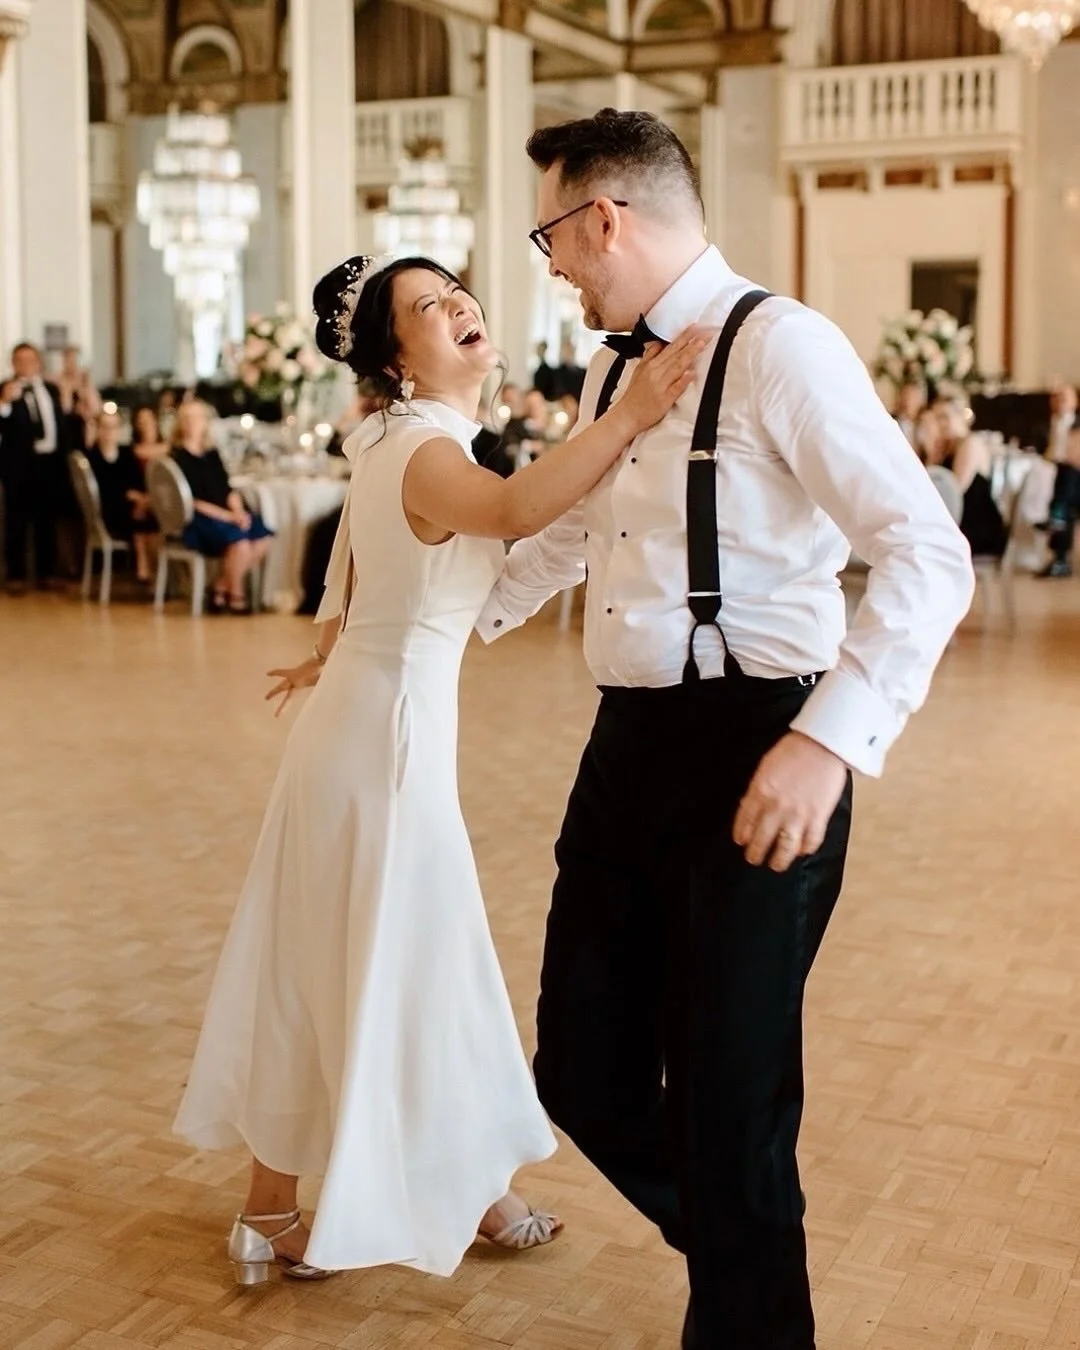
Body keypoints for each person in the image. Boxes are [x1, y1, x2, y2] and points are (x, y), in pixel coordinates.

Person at [473, 109, 975, 1350]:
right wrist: (410, 641)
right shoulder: (610, 370)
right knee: (579, 1071)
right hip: (626, 748)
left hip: (765, 742)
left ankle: (749, 1297)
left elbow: (927, 552)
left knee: (730, 1089)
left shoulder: (785, 346)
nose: (552, 267)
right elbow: (562, 539)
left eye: (553, 237)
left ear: (606, 217)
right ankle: (746, 1233)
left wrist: (827, 740)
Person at [172, 252, 708, 1286]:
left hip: (364, 729)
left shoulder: (399, 445)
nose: (460, 305)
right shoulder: (423, 450)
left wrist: (325, 655)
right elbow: (511, 518)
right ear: (399, 361)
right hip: (388, 745)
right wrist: (633, 412)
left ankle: (274, 1210)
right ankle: (453, 1193)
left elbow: (366, 576)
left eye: (458, 292)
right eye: (428, 306)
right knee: (407, 962)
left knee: (344, 963)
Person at [169, 399, 273, 614]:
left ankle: (219, 587)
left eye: (197, 417)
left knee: (263, 538)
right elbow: (191, 501)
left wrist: (237, 512)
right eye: (187, 418)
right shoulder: (178, 458)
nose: (192, 423)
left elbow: (227, 489)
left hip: (225, 513)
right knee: (240, 542)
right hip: (199, 518)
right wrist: (228, 517)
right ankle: (236, 595)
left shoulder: (212, 454)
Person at [0, 342, 72, 593]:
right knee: (17, 521)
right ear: (13, 363)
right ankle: (16, 575)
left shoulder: (51, 389)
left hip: (49, 464)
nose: (26, 364)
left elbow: (61, 422)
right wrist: (5, 403)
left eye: (31, 359)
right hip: (19, 466)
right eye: (20, 360)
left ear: (38, 361)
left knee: (46, 519)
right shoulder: (5, 389)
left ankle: (47, 572)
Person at [931, 397, 1008, 558]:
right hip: (956, 520)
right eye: (937, 418)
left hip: (977, 525)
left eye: (945, 416)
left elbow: (954, 491)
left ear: (960, 416)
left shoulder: (971, 443)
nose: (940, 423)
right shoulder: (946, 446)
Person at [85, 409, 155, 577]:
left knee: (151, 518)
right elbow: (101, 492)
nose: (109, 432)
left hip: (135, 507)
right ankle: (144, 568)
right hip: (108, 511)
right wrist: (129, 497)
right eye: (105, 427)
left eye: (113, 427)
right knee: (140, 521)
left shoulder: (126, 454)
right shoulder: (91, 457)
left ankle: (152, 571)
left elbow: (139, 483)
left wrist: (141, 500)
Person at [893, 379, 925, 448]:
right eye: (906, 395)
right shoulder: (890, 421)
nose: (908, 401)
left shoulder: (924, 426)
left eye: (913, 397)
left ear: (921, 401)